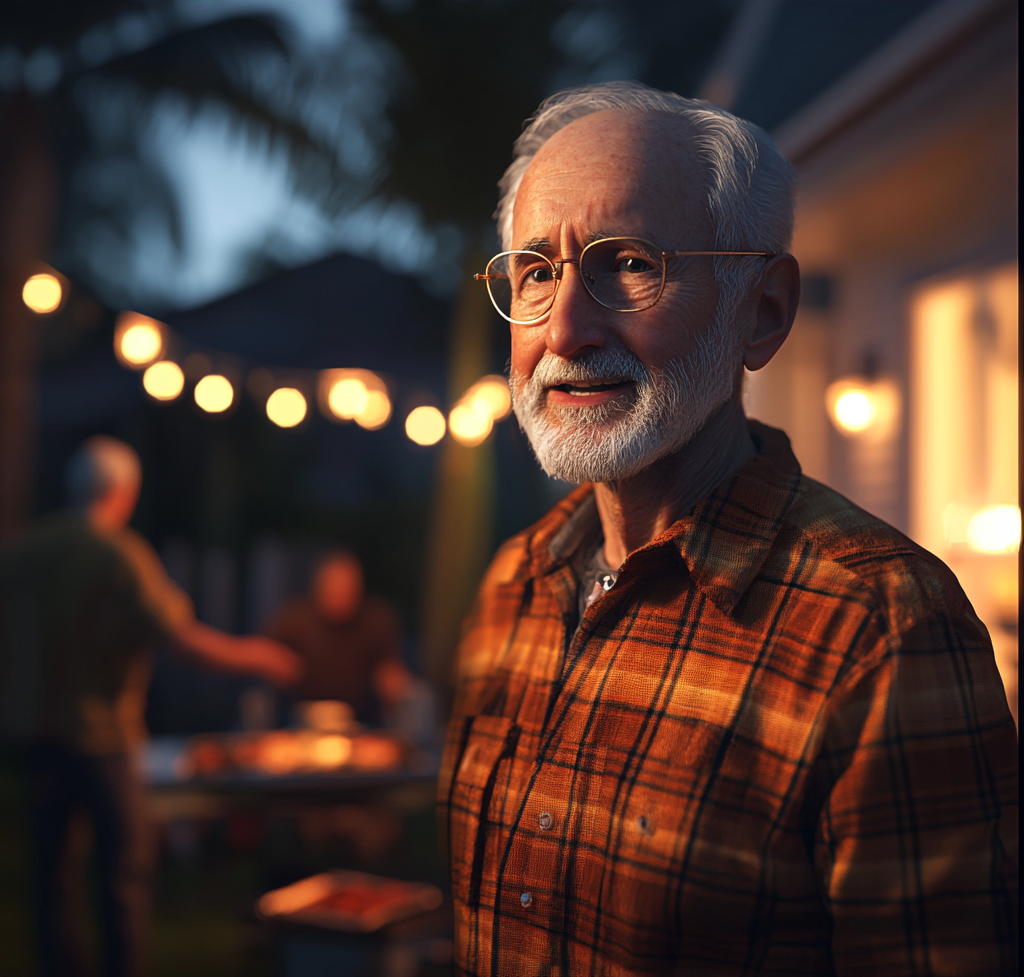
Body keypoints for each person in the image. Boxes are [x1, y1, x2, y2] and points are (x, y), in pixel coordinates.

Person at [438, 82, 1018, 976]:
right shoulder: (512, 584)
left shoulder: (884, 626)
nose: (566, 328)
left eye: (626, 262)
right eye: (537, 272)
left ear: (764, 311)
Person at [0, 436, 303, 977]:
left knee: (50, 878)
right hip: (101, 738)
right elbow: (180, 638)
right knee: (122, 876)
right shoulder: (118, 554)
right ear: (122, 493)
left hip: (33, 734)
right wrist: (257, 656)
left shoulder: (26, 550)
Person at [267, 550, 416, 726]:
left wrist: (393, 684)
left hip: (363, 725)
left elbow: (391, 668)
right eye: (334, 588)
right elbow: (263, 656)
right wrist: (274, 664)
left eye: (347, 588)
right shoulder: (291, 620)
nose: (340, 595)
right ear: (317, 586)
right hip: (297, 725)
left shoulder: (379, 620)